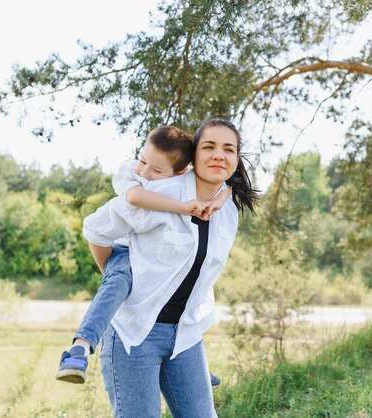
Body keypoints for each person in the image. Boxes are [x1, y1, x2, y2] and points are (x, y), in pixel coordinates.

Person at [82, 118, 257, 417]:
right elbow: (96, 229)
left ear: (236, 159)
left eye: (228, 149)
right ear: (193, 155)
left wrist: (225, 193)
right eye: (209, 147)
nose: (219, 155)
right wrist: (118, 277)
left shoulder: (227, 210)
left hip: (185, 336)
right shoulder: (162, 192)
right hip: (134, 334)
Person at [55, 126, 231, 387]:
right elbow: (135, 198)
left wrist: (219, 201)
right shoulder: (133, 176)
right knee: (119, 280)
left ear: (182, 173)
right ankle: (80, 346)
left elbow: (227, 186)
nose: (145, 172)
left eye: (156, 170)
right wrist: (111, 270)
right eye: (143, 160)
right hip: (125, 251)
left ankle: (193, 368)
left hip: (169, 303)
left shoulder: (189, 181)